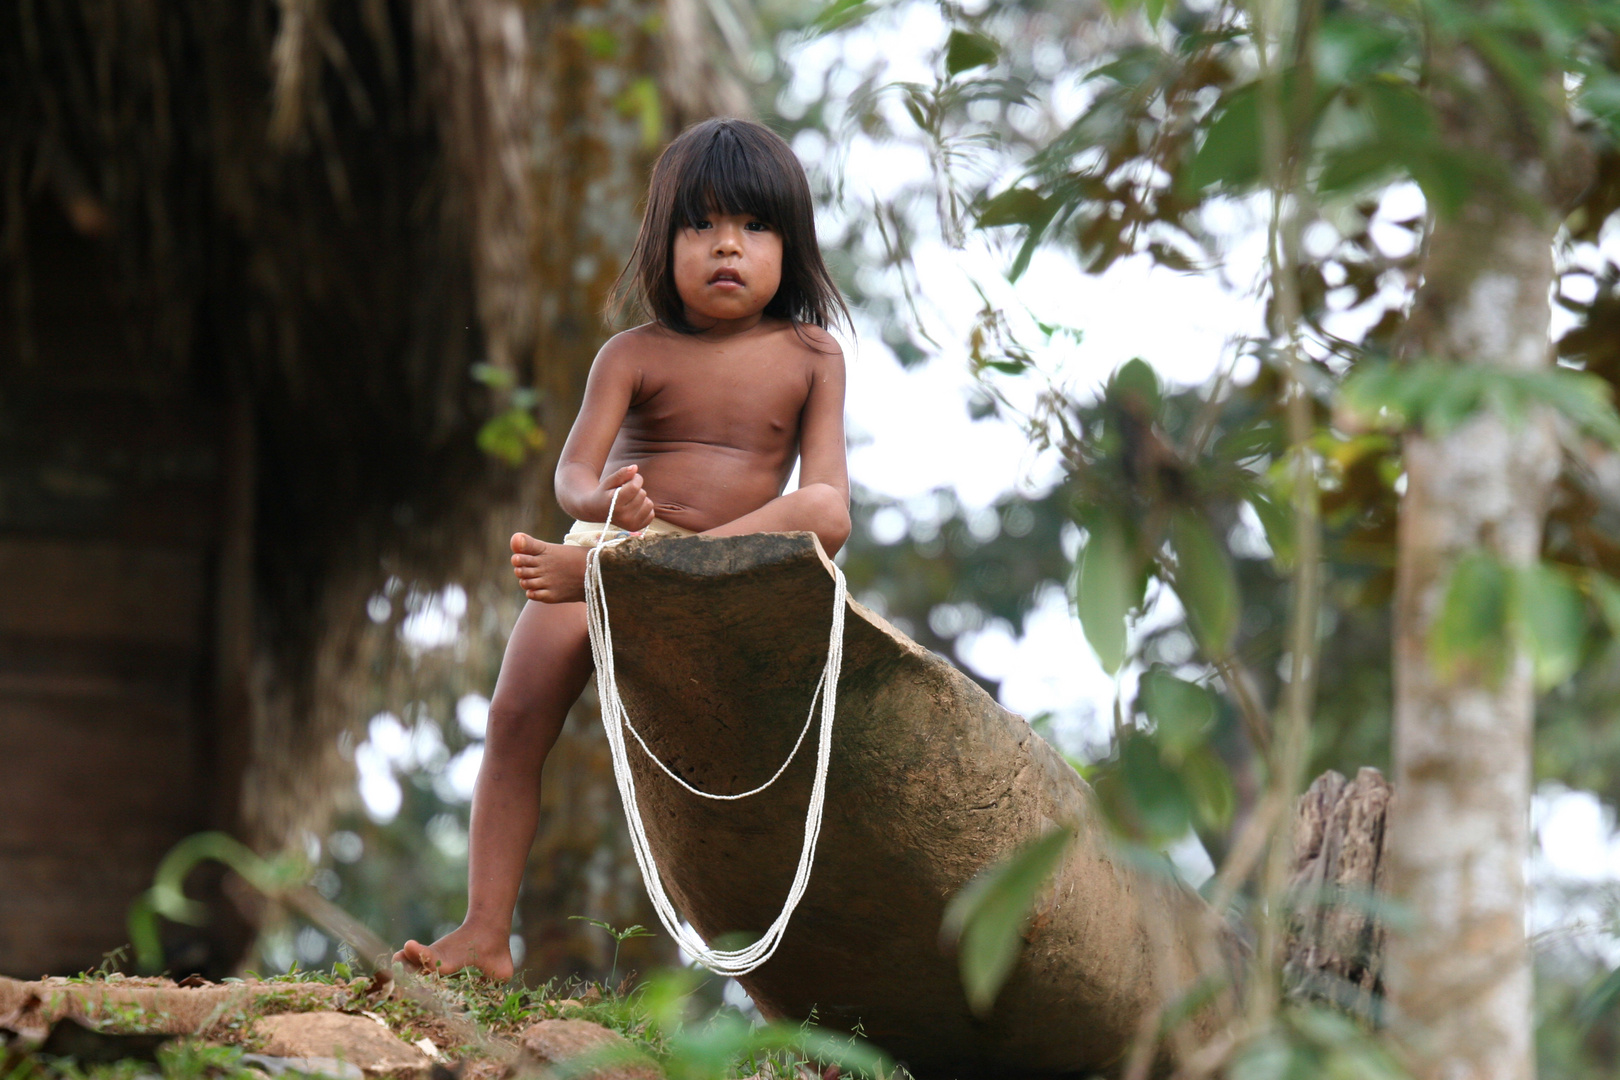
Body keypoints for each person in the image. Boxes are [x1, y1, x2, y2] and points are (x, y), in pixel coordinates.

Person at [394, 117, 852, 980]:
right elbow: (572, 474)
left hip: (725, 567)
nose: (728, 246)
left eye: (755, 227)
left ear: (792, 246)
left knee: (821, 513)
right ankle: (485, 931)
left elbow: (829, 502)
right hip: (612, 540)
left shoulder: (811, 354)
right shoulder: (632, 353)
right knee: (513, 718)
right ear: (660, 243)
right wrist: (605, 502)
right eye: (701, 224)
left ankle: (622, 581)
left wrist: (671, 561)